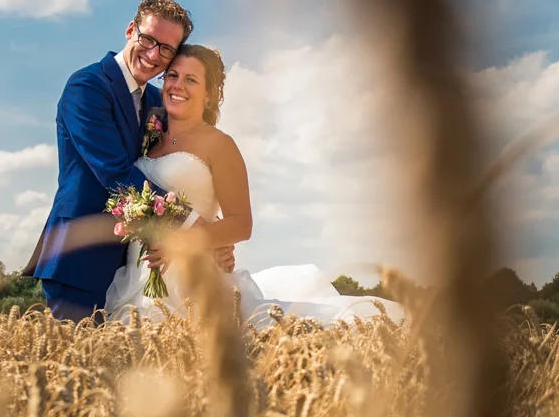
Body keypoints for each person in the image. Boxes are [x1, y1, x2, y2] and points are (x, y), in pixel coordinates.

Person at [103, 44, 406, 328]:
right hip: (139, 274)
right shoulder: (149, 136)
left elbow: (241, 224)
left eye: (191, 79)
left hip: (192, 280)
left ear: (209, 95)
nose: (177, 85)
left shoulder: (220, 145)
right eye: (172, 75)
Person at [27, 0, 233, 321]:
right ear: (130, 30)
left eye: (166, 49)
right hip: (82, 259)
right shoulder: (87, 86)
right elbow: (115, 173)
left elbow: (183, 163)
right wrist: (194, 223)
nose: (153, 55)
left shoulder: (156, 99)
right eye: (148, 39)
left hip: (136, 263)